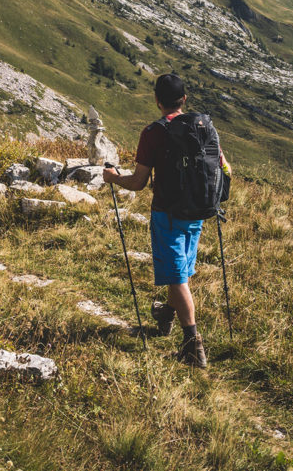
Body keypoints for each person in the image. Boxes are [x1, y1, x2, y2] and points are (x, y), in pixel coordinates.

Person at [104, 72, 231, 367]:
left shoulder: (152, 133)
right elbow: (225, 168)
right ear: (184, 100)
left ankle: (193, 345)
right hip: (198, 212)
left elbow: (138, 182)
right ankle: (165, 314)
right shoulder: (205, 127)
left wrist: (113, 177)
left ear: (157, 101)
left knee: (176, 277)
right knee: (182, 270)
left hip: (167, 213)